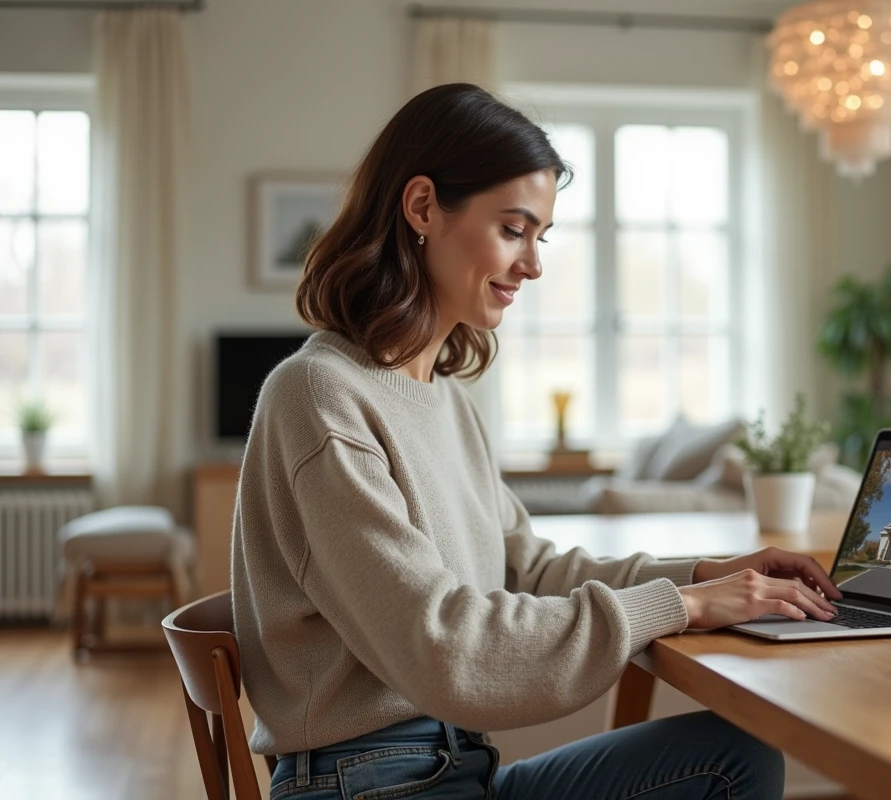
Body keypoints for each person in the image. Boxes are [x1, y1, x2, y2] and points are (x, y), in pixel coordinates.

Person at [231, 83, 843, 800]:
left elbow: (527, 569)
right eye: (513, 229)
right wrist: (687, 607)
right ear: (422, 207)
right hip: (371, 783)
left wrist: (704, 575)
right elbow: (441, 646)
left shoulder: (446, 400)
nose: (533, 264)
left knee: (735, 753)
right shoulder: (318, 395)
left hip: (454, 767)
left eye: (540, 237)